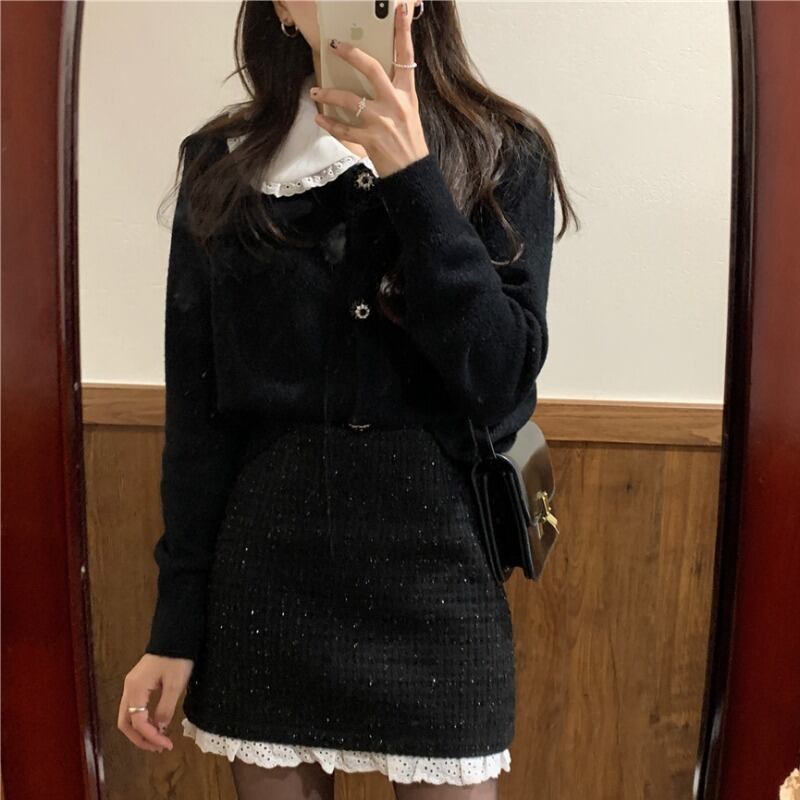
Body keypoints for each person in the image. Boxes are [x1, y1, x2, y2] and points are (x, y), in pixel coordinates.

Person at [118, 1, 578, 798]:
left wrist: (413, 178)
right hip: (267, 582)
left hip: (439, 577)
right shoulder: (228, 162)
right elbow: (199, 422)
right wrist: (174, 628)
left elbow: (500, 376)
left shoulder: (502, 151)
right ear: (280, 7)